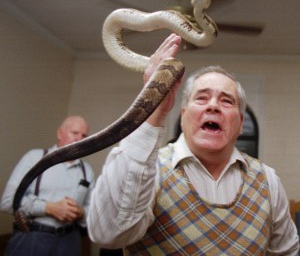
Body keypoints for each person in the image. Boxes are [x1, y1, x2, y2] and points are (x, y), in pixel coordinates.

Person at [87, 33, 300, 255]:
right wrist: (153, 108)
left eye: (226, 100)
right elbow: (108, 234)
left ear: (240, 123)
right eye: (201, 98)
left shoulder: (268, 181)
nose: (213, 106)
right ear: (184, 114)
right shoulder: (152, 170)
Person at [1, 115, 95, 256]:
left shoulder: (87, 171)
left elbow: (93, 212)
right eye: (74, 133)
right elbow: (7, 201)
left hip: (70, 242)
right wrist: (49, 208)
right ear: (59, 133)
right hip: (32, 238)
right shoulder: (34, 158)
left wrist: (80, 212)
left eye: (84, 136)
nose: (79, 139)